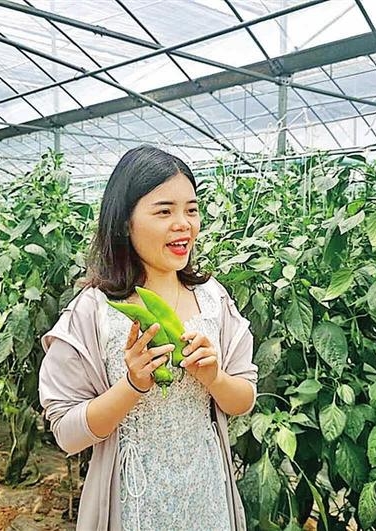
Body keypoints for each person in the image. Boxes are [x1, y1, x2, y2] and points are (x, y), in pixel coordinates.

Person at [38, 145, 258, 531]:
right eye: (164, 211)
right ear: (125, 222)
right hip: (133, 501)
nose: (184, 224)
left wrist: (214, 378)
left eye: (191, 210)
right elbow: (67, 432)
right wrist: (132, 385)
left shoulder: (212, 299)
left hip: (206, 495)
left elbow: (243, 400)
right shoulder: (93, 311)